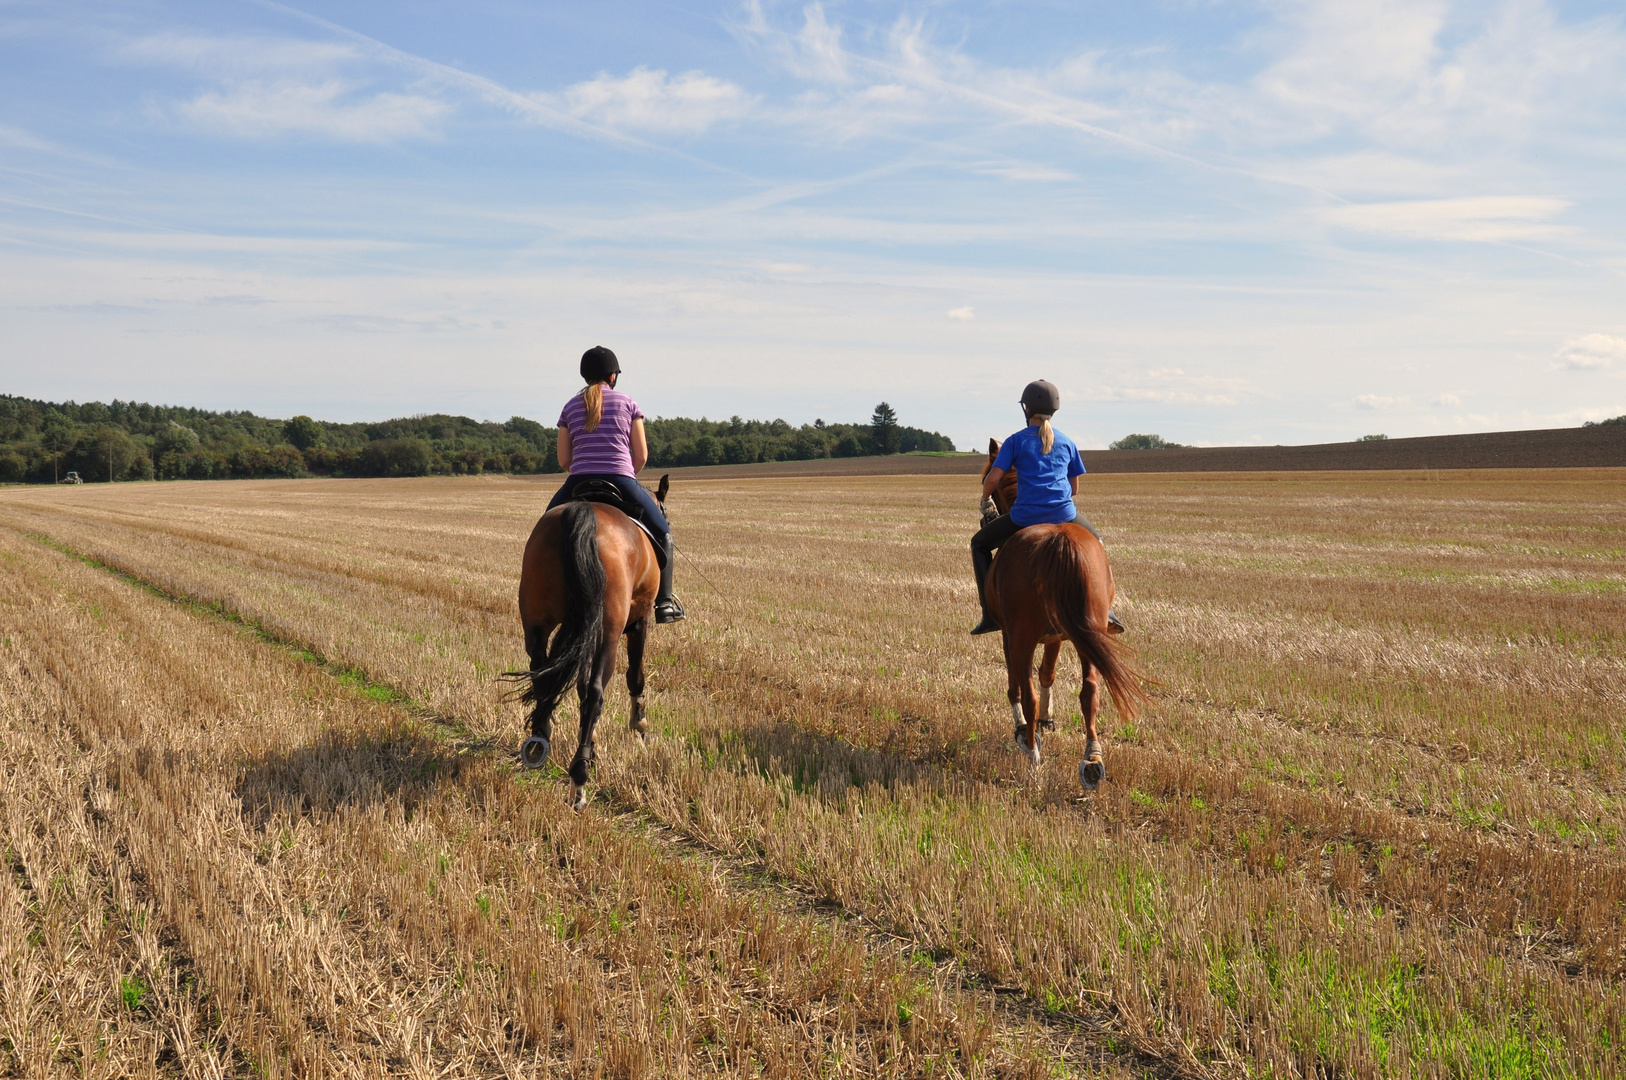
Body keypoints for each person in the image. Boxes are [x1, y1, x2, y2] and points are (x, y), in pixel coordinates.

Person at [969, 379, 1123, 636]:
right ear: (1054, 410)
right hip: (1066, 515)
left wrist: (985, 498)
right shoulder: (1067, 442)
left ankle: (989, 614)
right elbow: (1074, 489)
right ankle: (1106, 611)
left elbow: (994, 479)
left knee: (979, 544)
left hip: (1024, 517)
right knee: (1096, 542)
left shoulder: (1015, 442)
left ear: (1026, 409)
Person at [546, 346, 685, 624]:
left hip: (577, 481)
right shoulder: (628, 403)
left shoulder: (570, 407)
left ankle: (547, 593)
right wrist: (625, 473)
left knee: (544, 531)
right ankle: (665, 603)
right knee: (664, 533)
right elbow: (642, 455)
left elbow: (564, 460)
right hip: (621, 480)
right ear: (613, 376)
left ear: (585, 376)